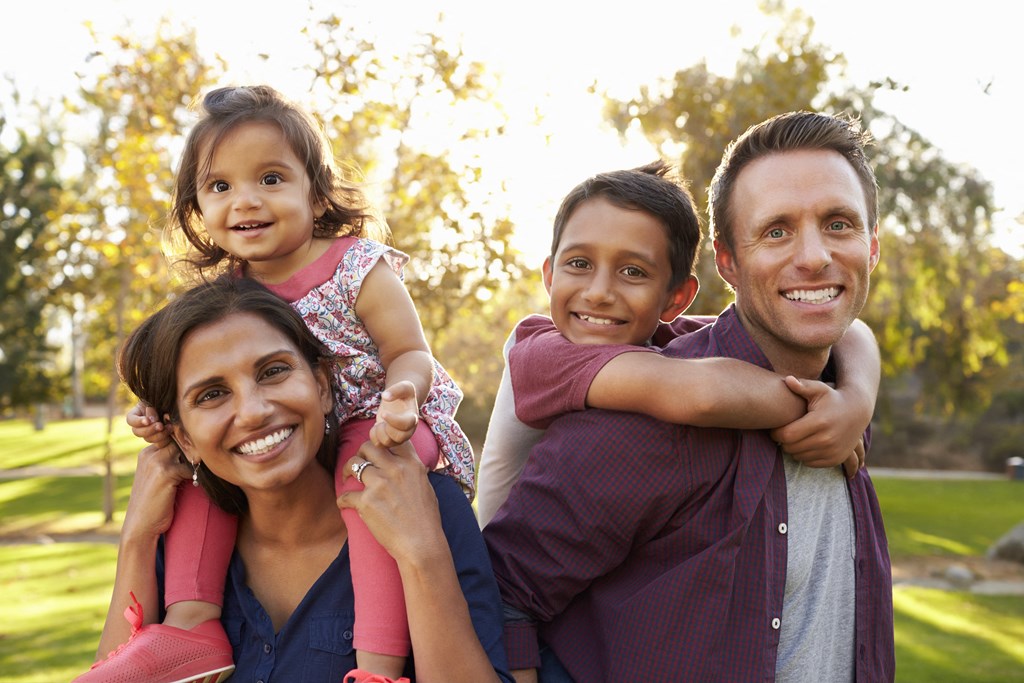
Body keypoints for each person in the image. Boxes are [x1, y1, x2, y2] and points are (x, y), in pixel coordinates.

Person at [74, 85, 474, 683]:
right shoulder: (228, 295)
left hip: (378, 421)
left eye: (270, 178)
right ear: (197, 210)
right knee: (202, 478)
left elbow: (409, 351)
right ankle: (192, 628)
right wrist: (152, 418)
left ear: (315, 193)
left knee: (361, 485)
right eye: (220, 187)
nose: (246, 201)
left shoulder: (356, 266)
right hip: (303, 432)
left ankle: (376, 664)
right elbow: (170, 372)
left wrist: (403, 399)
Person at [483, 111, 895, 682]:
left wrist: (855, 397)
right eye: (776, 230)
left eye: (839, 224)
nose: (814, 257)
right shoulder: (641, 414)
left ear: (871, 247)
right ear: (729, 261)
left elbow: (855, 333)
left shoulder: (843, 395)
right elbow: (500, 592)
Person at [74, 276, 512, 683]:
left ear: (322, 386)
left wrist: (421, 554)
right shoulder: (175, 546)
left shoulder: (421, 505)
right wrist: (136, 537)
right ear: (184, 438)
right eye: (212, 394)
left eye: (273, 371)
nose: (254, 411)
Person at [477, 160, 877, 527]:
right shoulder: (539, 351)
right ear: (549, 275)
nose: (598, 293)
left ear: (676, 299)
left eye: (632, 271)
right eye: (579, 264)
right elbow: (704, 393)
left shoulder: (664, 338)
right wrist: (823, 410)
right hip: (499, 588)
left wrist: (856, 399)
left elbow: (854, 331)